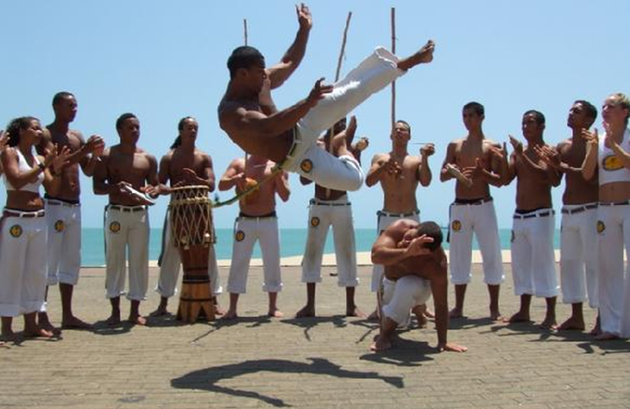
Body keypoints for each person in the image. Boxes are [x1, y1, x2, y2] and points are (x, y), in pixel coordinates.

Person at [218, 3, 435, 192]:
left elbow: (288, 62)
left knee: (355, 90)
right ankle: (340, 148)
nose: (264, 75)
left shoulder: (260, 79)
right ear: (242, 74)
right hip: (296, 158)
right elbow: (268, 128)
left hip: (302, 123)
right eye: (259, 72)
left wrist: (304, 30)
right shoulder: (231, 113)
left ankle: (413, 60)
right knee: (354, 181)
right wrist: (307, 102)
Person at [36, 91, 105, 332]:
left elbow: (87, 170)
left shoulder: (77, 136)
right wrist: (84, 150)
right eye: (69, 105)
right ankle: (41, 313)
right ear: (56, 107)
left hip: (75, 206)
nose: (74, 109)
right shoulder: (46, 134)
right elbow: (54, 164)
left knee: (71, 261)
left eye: (76, 105)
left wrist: (94, 155)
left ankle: (68, 314)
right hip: (54, 203)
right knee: (48, 260)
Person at [0, 117, 68, 341]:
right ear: (21, 130)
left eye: (40, 128)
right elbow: (17, 180)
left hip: (38, 219)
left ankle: (31, 323)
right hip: (16, 220)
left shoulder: (39, 157)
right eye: (34, 128)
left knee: (35, 273)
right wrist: (43, 165)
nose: (39, 132)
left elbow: (52, 188)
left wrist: (55, 169)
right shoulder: (11, 153)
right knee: (11, 271)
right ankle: (7, 328)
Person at [150, 117, 223, 317]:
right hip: (177, 211)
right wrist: (166, 189)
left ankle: (214, 300)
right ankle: (163, 303)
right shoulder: (169, 157)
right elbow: (160, 184)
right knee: (170, 256)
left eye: (196, 128)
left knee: (208, 254)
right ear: (181, 130)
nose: (193, 131)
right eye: (189, 128)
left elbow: (211, 184)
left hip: (200, 212)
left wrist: (196, 179)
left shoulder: (204, 157)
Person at [296, 116, 367, 318]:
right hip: (319, 205)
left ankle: (350, 305)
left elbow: (355, 175)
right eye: (337, 119)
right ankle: (310, 304)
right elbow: (303, 179)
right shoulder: (316, 145)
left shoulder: (347, 148)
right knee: (311, 253)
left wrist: (358, 151)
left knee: (347, 253)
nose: (340, 125)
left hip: (341, 204)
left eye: (343, 123)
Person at [537, 101, 599, 332]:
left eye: (577, 112)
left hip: (591, 210)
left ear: (589, 120)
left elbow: (592, 178)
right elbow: (555, 181)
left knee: (593, 265)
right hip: (568, 212)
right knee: (570, 264)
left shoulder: (596, 145)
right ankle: (576, 316)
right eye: (571, 110)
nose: (571, 114)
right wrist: (552, 165)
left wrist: (560, 164)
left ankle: (601, 318)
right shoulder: (562, 145)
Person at [440, 102, 505, 321]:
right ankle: (458, 307)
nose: (467, 120)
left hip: (483, 205)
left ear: (481, 117)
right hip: (460, 206)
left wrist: (481, 173)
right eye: (464, 116)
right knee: (459, 256)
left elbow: (499, 180)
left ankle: (494, 308)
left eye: (471, 116)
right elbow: (442, 173)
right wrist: (453, 171)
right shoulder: (454, 145)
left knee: (492, 254)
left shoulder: (491, 145)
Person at [93, 113, 159, 326]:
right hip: (116, 213)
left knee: (139, 260)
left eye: (137, 127)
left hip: (139, 213)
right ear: (119, 130)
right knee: (115, 259)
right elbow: (97, 187)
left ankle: (135, 311)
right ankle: (115, 311)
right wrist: (117, 187)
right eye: (130, 127)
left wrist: (152, 190)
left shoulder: (148, 158)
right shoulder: (107, 155)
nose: (135, 131)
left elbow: (155, 188)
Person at [365, 120, 434, 322]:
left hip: (411, 217)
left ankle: (419, 307)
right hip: (388, 217)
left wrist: (425, 157)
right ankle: (380, 306)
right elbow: (369, 181)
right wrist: (383, 167)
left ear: (409, 136)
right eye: (396, 129)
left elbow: (426, 181)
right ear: (390, 135)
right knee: (382, 262)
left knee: (416, 260)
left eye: (403, 130)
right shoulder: (381, 158)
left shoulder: (414, 161)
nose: (399, 132)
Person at [370, 219, 467, 353]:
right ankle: (418, 309)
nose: (407, 242)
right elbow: (375, 256)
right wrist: (406, 252)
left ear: (427, 253)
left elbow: (441, 304)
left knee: (408, 285)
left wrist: (443, 341)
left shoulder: (436, 263)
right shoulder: (399, 228)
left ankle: (385, 336)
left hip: (418, 287)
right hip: (390, 282)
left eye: (413, 245)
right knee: (400, 322)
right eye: (409, 237)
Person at [502, 110, 561, 329]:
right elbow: (506, 179)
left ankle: (551, 314)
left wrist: (521, 155)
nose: (525, 127)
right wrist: (501, 159)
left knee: (544, 264)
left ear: (542, 126)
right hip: (520, 215)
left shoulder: (548, 151)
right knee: (521, 265)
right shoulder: (518, 153)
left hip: (540, 215)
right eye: (523, 123)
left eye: (530, 123)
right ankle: (524, 311)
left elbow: (544, 177)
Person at [581, 92, 630, 340]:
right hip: (605, 209)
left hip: (628, 206)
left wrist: (615, 145)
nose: (605, 110)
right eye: (603, 106)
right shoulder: (598, 141)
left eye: (611, 106)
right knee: (608, 268)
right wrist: (592, 148)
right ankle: (611, 327)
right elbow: (587, 174)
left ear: (625, 111)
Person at [218, 154, 290, 319]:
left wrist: (278, 176)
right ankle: (232, 308)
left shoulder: (277, 164)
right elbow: (221, 185)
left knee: (272, 262)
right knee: (238, 261)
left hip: (269, 220)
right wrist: (236, 179)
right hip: (245, 220)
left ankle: (273, 307)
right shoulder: (239, 163)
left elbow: (285, 196)